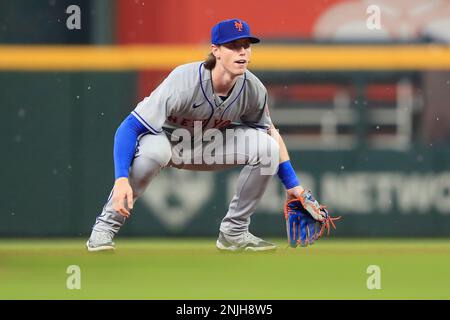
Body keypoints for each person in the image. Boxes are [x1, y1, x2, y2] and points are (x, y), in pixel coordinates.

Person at [86, 18, 326, 252]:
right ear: (216, 51)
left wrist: (293, 185)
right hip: (167, 141)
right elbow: (129, 128)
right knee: (153, 154)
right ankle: (104, 228)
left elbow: (270, 132)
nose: (242, 52)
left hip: (209, 147)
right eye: (233, 46)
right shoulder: (184, 81)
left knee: (268, 148)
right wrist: (120, 179)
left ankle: (234, 233)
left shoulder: (253, 89)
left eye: (246, 45)